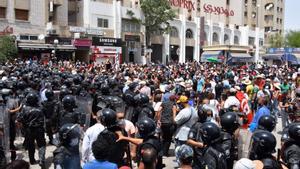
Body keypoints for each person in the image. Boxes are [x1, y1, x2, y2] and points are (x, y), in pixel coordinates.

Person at [16, 92, 46, 168]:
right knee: (41, 145)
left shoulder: (25, 109)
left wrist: (22, 129)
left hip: (29, 130)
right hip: (39, 129)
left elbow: (19, 120)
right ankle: (42, 160)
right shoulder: (41, 107)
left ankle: (32, 160)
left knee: (31, 145)